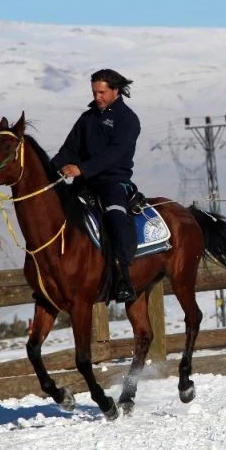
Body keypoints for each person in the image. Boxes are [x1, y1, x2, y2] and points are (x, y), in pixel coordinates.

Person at [51, 69, 141, 304]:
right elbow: (68, 149)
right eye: (94, 92)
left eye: (102, 92)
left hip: (113, 182)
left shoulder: (128, 119)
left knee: (115, 216)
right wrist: (50, 171)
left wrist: (82, 169)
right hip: (83, 184)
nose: (97, 96)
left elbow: (115, 153)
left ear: (115, 90)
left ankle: (123, 276)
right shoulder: (87, 118)